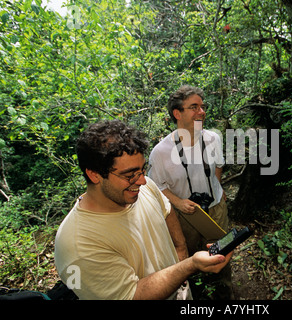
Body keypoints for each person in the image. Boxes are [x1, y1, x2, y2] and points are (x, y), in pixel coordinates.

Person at [54, 119, 232, 300]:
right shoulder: (78, 244)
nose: (142, 181)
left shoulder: (143, 188)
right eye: (130, 175)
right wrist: (189, 265)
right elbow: (132, 295)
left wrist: (181, 249)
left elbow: (166, 209)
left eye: (142, 169)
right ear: (94, 174)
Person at [148, 85, 232, 299]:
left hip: (216, 208)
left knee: (222, 251)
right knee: (192, 257)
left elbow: (219, 165)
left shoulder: (213, 138)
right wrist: (178, 202)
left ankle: (224, 290)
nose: (202, 112)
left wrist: (217, 188)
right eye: (194, 107)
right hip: (185, 215)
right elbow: (156, 186)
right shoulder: (161, 152)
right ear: (177, 113)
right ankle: (197, 294)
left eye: (202, 107)